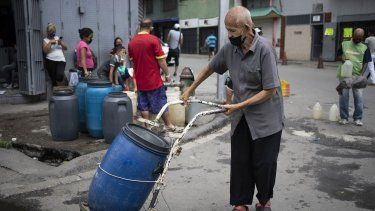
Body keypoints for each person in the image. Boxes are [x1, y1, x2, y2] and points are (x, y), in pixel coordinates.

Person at [181, 6, 284, 211]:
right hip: (241, 117)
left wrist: (239, 104)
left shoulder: (264, 49)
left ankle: (264, 200)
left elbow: (270, 90)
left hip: (266, 118)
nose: (229, 35)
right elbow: (211, 67)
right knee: (240, 161)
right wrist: (191, 89)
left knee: (264, 164)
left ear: (247, 28)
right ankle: (240, 202)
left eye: (233, 31)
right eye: (227, 30)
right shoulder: (230, 49)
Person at [128, 18, 179, 131]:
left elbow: (133, 62)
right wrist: (167, 74)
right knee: (161, 102)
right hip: (153, 80)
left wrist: (135, 78)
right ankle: (169, 124)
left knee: (143, 104)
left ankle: (147, 126)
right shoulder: (153, 40)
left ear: (140, 27)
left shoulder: (131, 42)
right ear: (150, 28)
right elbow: (161, 60)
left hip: (140, 80)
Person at [337, 28, 371, 126]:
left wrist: (361, 74)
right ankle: (344, 118)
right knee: (344, 96)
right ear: (353, 35)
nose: (358, 40)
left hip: (357, 76)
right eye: (357, 38)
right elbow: (338, 55)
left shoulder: (365, 47)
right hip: (345, 75)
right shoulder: (345, 44)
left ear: (362, 37)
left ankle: (358, 118)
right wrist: (343, 59)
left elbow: (366, 61)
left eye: (360, 38)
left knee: (359, 97)